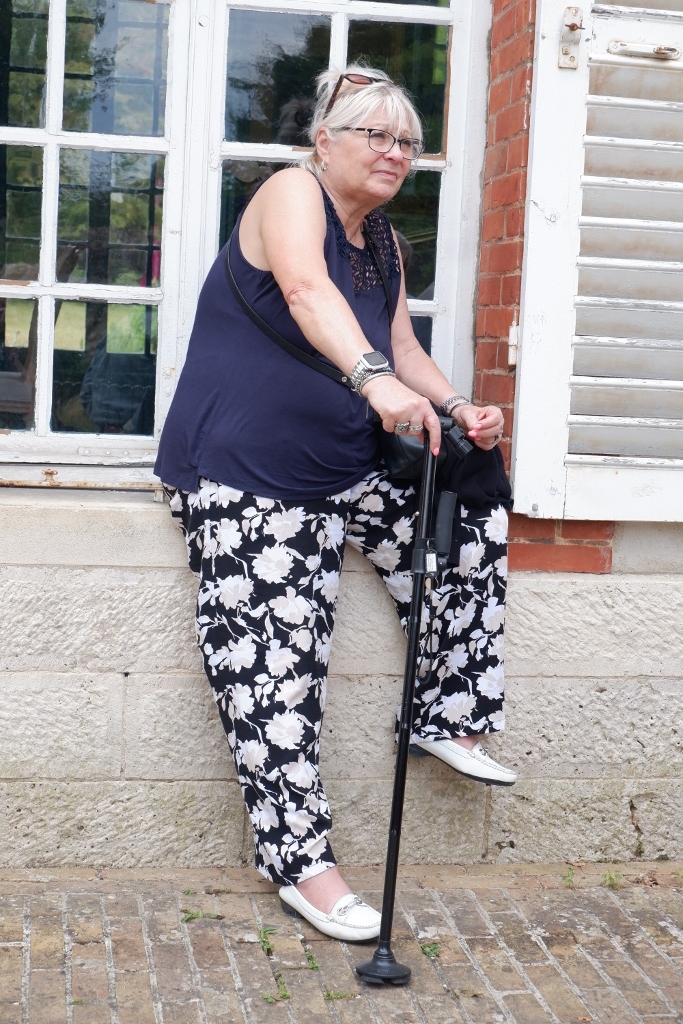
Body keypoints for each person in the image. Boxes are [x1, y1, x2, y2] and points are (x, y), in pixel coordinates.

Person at [154, 66, 514, 943]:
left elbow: (401, 345)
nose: (395, 153)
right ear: (323, 140)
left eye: (408, 142)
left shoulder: (383, 241)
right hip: (251, 474)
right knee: (273, 668)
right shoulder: (290, 193)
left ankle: (446, 711)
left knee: (468, 518)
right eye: (375, 135)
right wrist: (375, 384)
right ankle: (302, 867)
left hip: (348, 464)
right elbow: (308, 296)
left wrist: (455, 404)